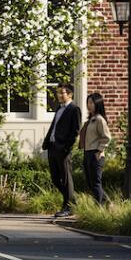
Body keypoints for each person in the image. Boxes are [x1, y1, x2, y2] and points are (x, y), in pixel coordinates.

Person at [41, 84, 83, 216]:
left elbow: (75, 131)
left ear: (70, 94)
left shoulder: (74, 109)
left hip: (63, 149)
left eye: (62, 93)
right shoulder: (59, 108)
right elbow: (54, 126)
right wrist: (47, 142)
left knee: (65, 178)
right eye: (58, 93)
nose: (59, 95)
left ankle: (69, 206)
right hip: (52, 146)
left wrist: (66, 147)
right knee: (55, 178)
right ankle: (72, 200)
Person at [77, 94, 112, 203]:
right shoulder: (90, 120)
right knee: (90, 183)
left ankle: (100, 208)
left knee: (96, 183)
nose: (89, 105)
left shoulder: (99, 120)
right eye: (88, 102)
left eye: (91, 103)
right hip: (87, 152)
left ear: (98, 104)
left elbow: (107, 137)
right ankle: (108, 204)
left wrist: (99, 151)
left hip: (96, 154)